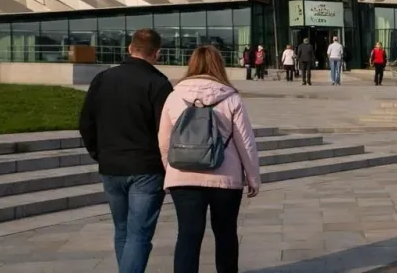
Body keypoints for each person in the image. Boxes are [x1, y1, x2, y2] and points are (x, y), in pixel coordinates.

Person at [159, 46, 261, 273]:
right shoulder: (231, 97)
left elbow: (164, 140)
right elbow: (245, 142)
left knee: (187, 234)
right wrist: (253, 177)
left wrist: (170, 170)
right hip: (225, 177)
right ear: (219, 65)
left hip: (183, 176)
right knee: (225, 233)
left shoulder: (174, 96)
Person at [79, 28, 173, 273]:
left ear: (130, 48)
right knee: (138, 234)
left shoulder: (103, 79)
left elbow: (86, 122)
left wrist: (99, 153)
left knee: (122, 230)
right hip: (146, 167)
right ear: (157, 53)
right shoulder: (158, 83)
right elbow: (166, 131)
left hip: (111, 165)